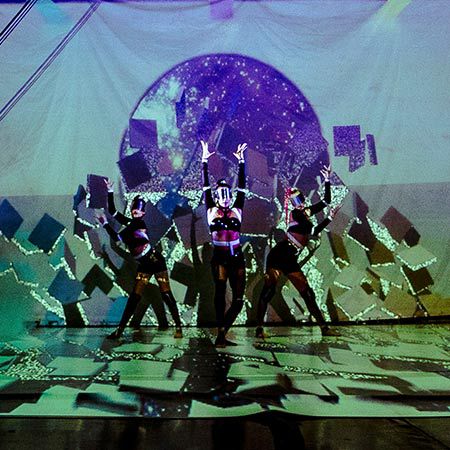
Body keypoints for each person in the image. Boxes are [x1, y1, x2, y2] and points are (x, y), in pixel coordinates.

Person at [255, 165, 340, 338]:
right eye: (295, 201)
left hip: (290, 257)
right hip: (280, 254)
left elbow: (326, 201)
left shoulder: (306, 212)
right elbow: (314, 231)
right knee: (269, 291)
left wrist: (327, 180)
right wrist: (329, 218)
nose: (298, 203)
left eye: (300, 199)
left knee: (307, 293)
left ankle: (324, 328)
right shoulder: (296, 214)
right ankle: (259, 329)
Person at [97, 179, 182, 339]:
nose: (135, 211)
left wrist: (105, 224)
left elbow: (117, 237)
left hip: (155, 261)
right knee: (135, 297)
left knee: (165, 293)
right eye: (134, 209)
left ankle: (178, 326)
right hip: (144, 263)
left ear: (143, 213)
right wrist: (110, 191)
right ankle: (120, 330)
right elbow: (113, 211)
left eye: (139, 210)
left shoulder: (137, 225)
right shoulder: (131, 222)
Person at [201, 140, 247, 347]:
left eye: (228, 194)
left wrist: (241, 162)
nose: (226, 199)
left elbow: (242, 187)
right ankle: (220, 333)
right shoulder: (212, 209)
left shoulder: (237, 209)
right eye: (221, 195)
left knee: (238, 300)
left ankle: (223, 333)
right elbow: (205, 187)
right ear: (217, 196)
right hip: (220, 257)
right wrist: (204, 161)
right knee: (220, 293)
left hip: (237, 257)